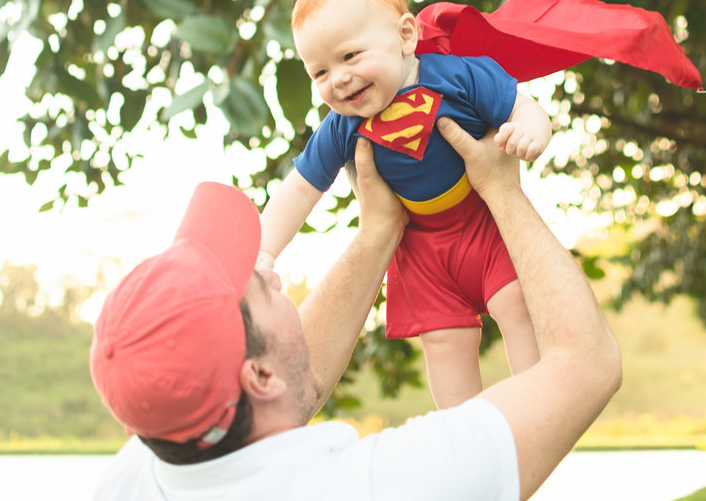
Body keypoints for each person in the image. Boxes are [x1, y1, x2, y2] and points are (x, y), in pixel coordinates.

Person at [89, 124, 621, 501]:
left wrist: (379, 233)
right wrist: (502, 189)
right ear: (259, 376)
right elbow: (586, 364)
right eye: (257, 288)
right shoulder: (384, 486)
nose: (272, 275)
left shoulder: (143, 470)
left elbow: (284, 383)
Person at [258, 0, 552, 408]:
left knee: (518, 304)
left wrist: (531, 132)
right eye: (319, 72)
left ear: (405, 36)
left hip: (483, 224)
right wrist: (263, 251)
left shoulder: (457, 75)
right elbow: (300, 189)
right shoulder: (341, 126)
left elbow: (520, 105)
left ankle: (539, 406)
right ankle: (462, 432)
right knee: (443, 340)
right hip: (421, 249)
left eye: (350, 56)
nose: (338, 78)